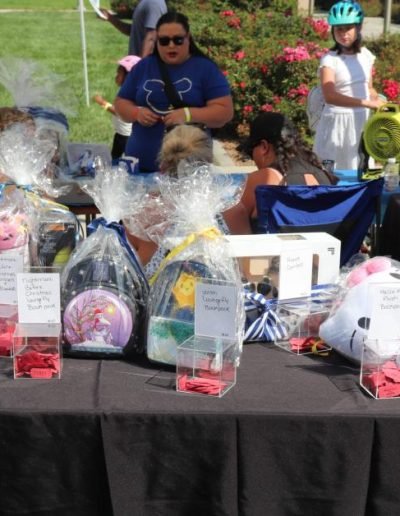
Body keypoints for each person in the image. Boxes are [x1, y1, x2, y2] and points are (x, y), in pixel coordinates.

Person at [114, 11, 233, 172]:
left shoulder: (206, 69)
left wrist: (188, 115)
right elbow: (121, 103)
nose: (171, 45)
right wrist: (137, 113)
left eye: (178, 40)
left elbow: (224, 112)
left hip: (188, 172)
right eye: (164, 41)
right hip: (140, 168)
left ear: (188, 37)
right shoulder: (144, 66)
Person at [125, 124, 228, 277]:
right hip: (215, 291)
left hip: (152, 290)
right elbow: (246, 271)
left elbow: (127, 272)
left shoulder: (140, 213)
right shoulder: (227, 210)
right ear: (207, 165)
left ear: (162, 164)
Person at [223, 111, 338, 235]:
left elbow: (234, 218)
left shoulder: (266, 177)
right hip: (322, 246)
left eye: (251, 152)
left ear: (264, 147)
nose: (253, 160)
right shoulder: (324, 174)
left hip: (277, 247)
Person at [313, 0, 385, 171]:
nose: (343, 33)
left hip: (361, 121)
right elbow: (330, 96)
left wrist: (379, 101)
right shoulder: (330, 59)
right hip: (336, 123)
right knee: (331, 174)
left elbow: (368, 88)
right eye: (339, 29)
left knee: (360, 169)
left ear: (358, 27)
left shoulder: (366, 56)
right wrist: (367, 103)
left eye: (348, 28)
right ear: (333, 30)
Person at [93, 55, 141, 159]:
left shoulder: (131, 93)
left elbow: (118, 111)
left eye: (119, 73)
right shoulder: (127, 90)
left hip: (126, 136)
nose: (116, 76)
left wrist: (102, 103)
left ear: (129, 76)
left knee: (119, 159)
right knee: (117, 158)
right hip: (121, 133)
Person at [100, 0, 167, 57]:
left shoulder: (153, 2)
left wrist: (141, 66)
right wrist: (110, 18)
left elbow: (152, 37)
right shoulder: (146, 2)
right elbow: (134, 30)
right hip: (138, 63)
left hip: (145, 65)